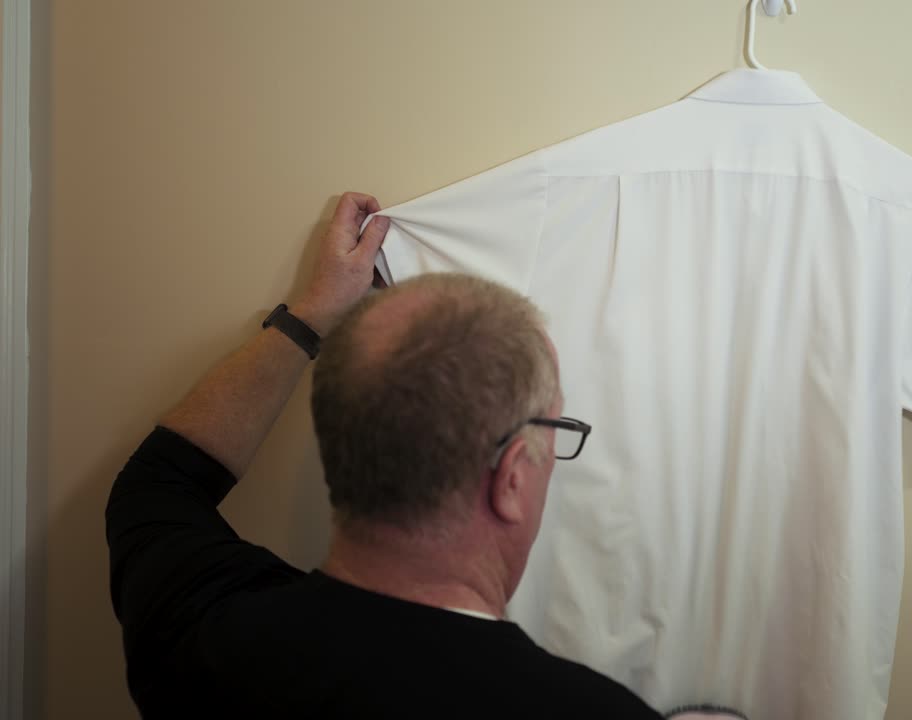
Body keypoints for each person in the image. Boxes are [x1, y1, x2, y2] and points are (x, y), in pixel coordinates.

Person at [105, 192, 670, 718]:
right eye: (554, 427)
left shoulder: (198, 636)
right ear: (512, 478)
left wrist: (311, 316)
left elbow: (159, 481)